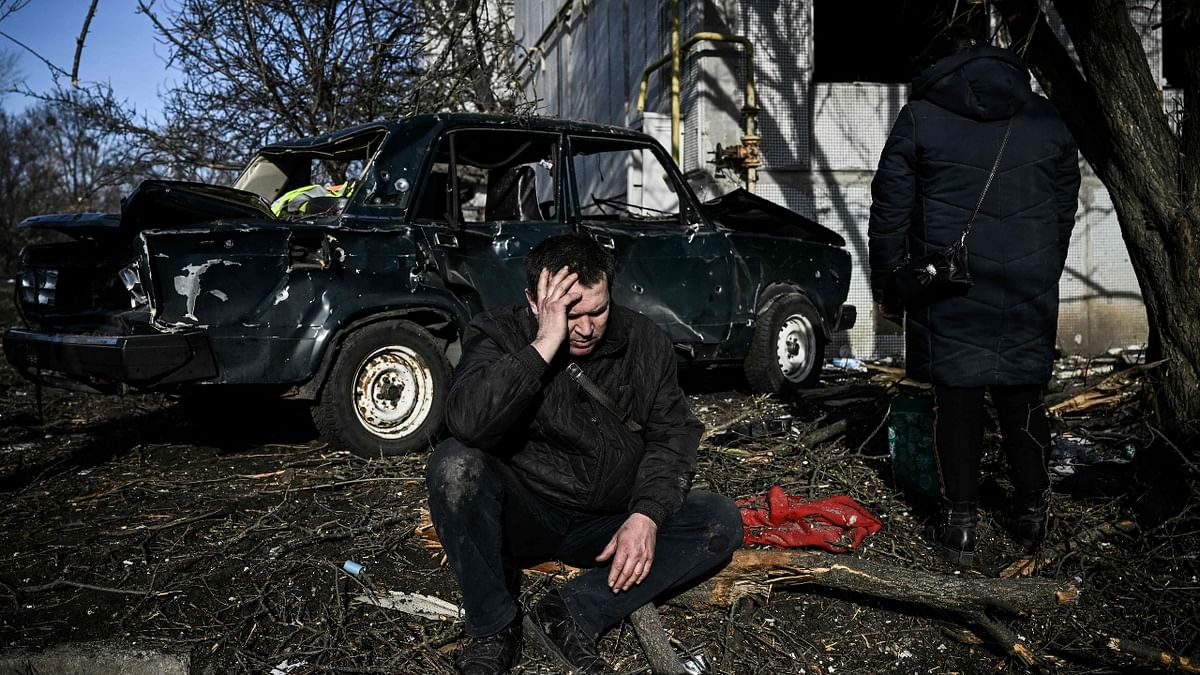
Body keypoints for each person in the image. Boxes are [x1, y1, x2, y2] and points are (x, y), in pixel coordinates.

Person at [425, 234, 742, 674]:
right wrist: (543, 345)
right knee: (454, 465)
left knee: (719, 519)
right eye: (570, 314)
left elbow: (673, 434)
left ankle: (571, 612)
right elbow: (467, 422)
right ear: (534, 303)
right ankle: (494, 627)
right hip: (526, 518)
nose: (587, 327)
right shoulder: (497, 332)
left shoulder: (644, 340)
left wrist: (647, 514)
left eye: (598, 310)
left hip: (608, 526)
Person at [867, 31, 1081, 566]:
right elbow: (1063, 204)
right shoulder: (1045, 118)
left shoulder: (921, 115)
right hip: (1026, 283)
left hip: (948, 284)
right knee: (1022, 396)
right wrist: (1045, 268)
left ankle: (960, 522)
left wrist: (892, 283)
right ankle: (1031, 512)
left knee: (956, 402)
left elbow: (889, 209)